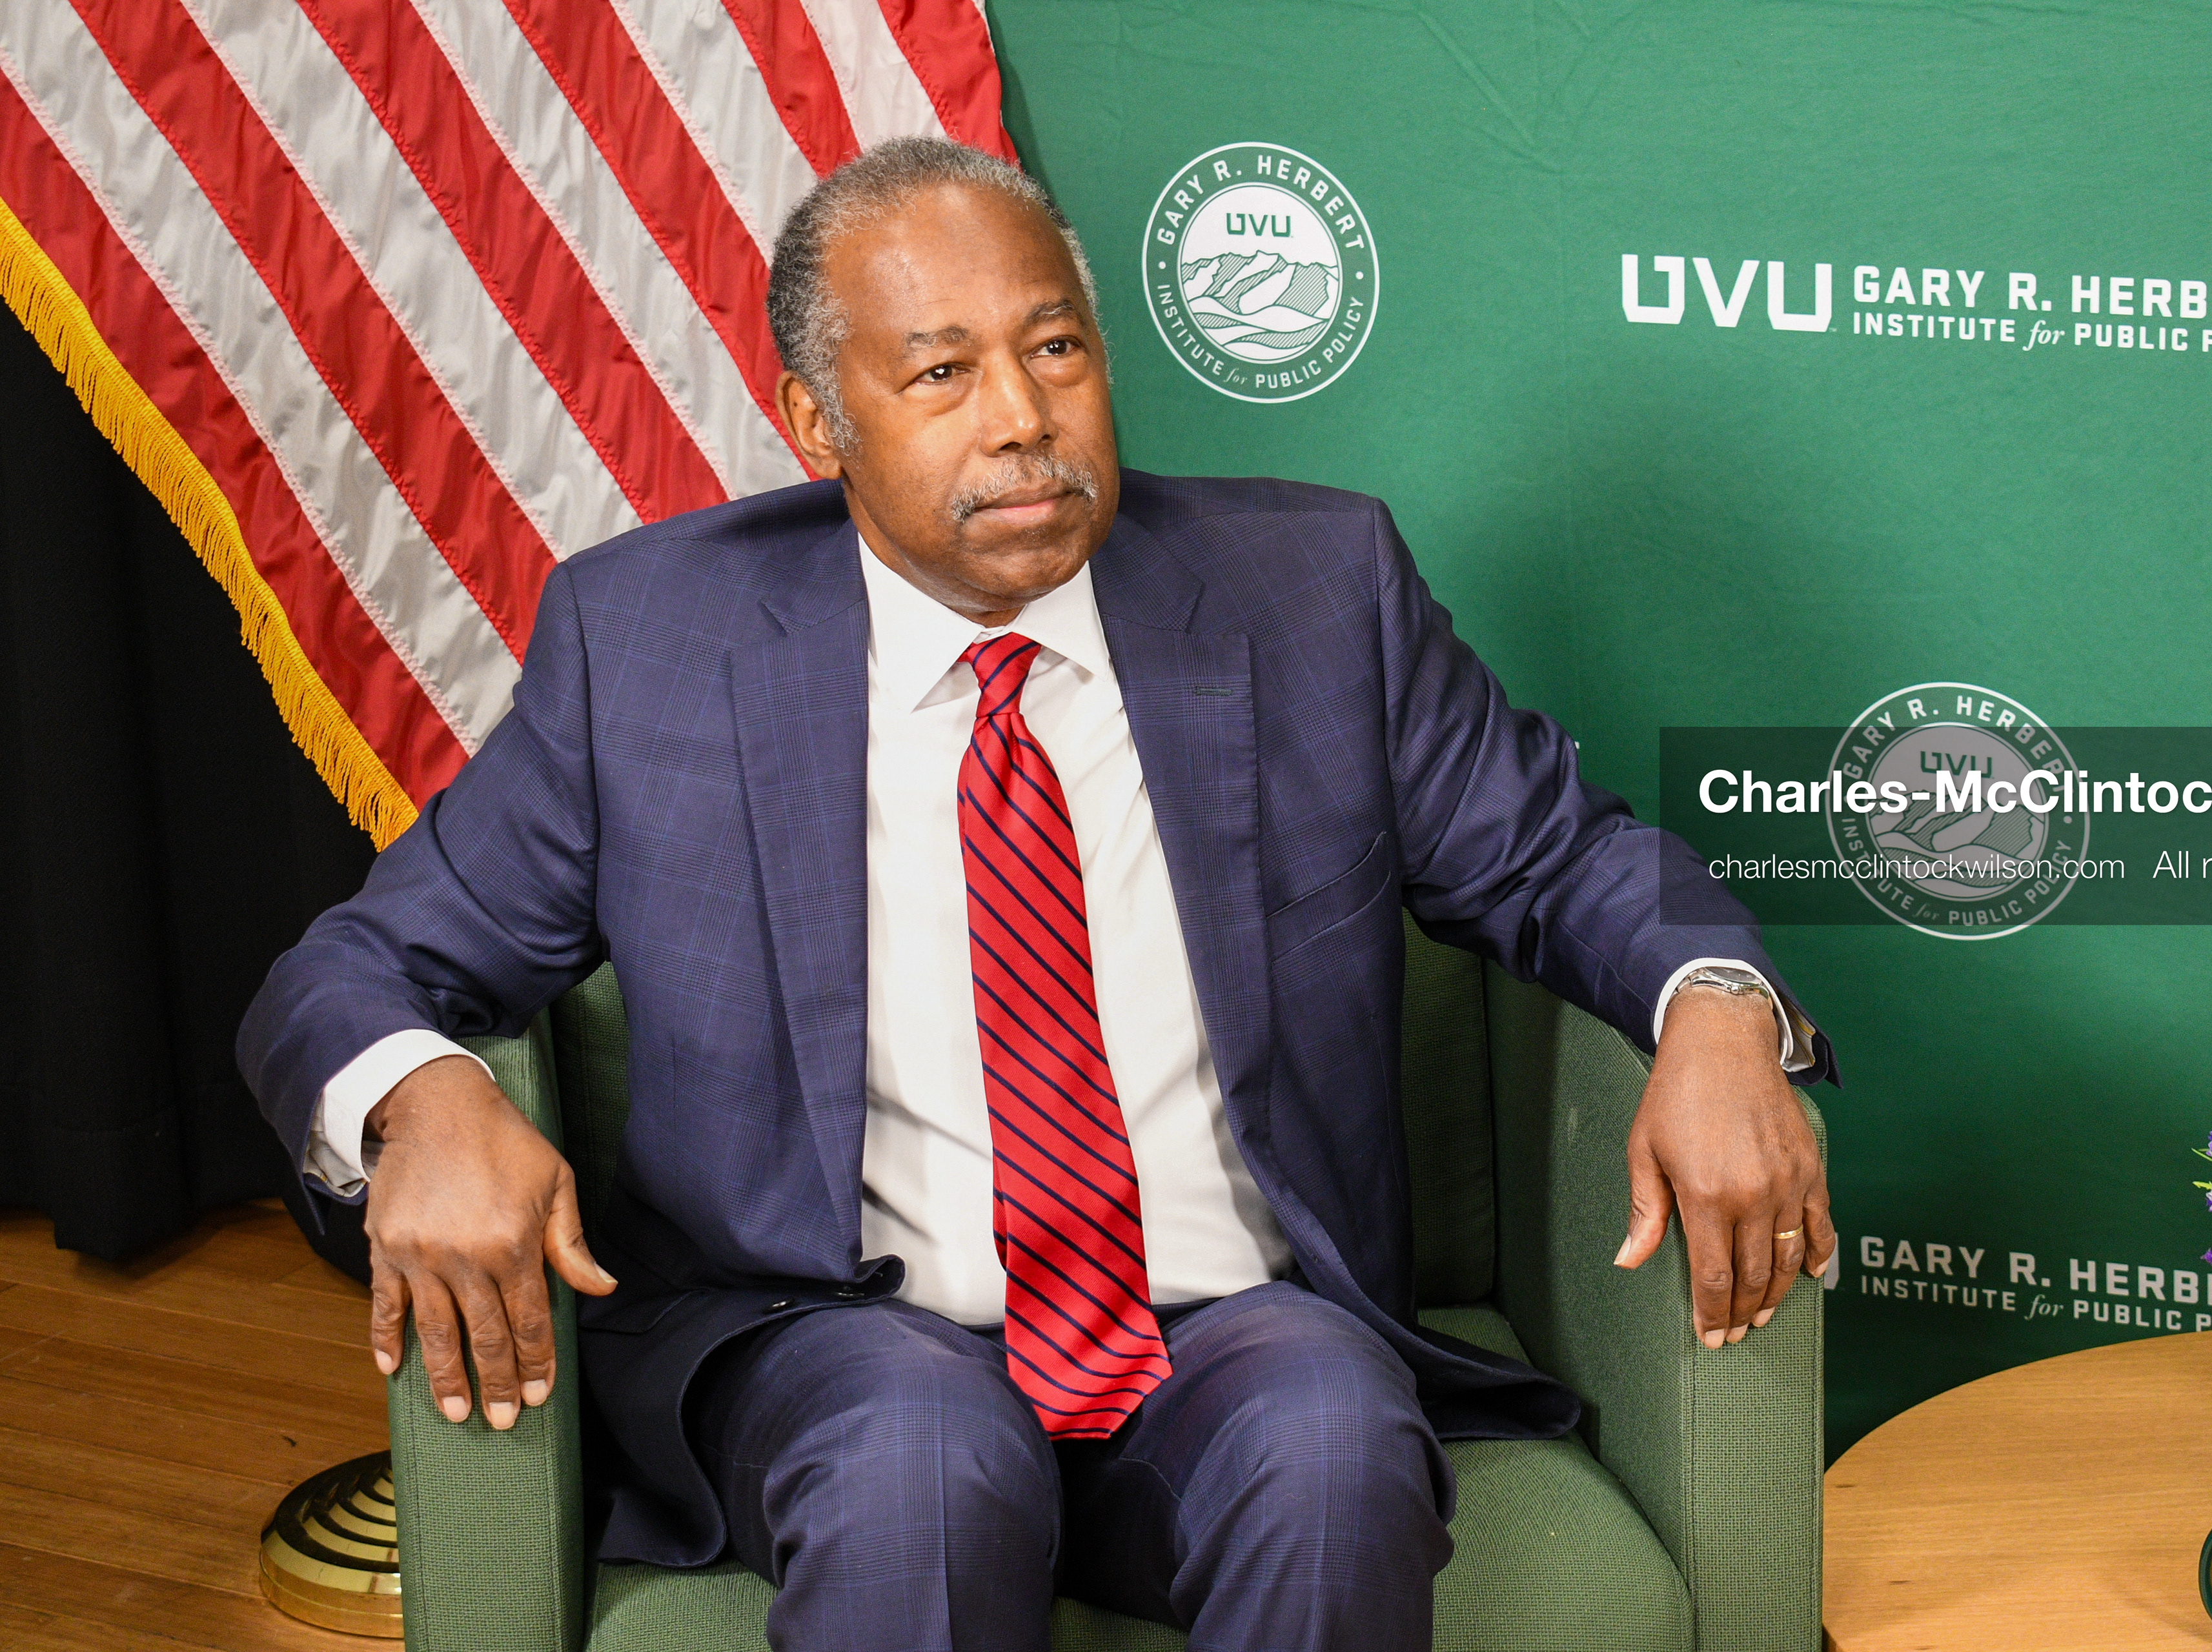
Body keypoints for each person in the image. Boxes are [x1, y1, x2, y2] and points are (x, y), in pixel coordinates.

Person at [239, 136, 1837, 1652]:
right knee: (918, 1471)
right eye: (940, 372)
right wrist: (427, 1098)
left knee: (1333, 1438)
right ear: (818, 421)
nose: (1022, 418)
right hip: (842, 1339)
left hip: (1227, 1324)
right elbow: (354, 969)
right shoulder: (654, 643)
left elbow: (1564, 857)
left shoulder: (1311, 594)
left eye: (1057, 351)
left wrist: (1714, 1010)